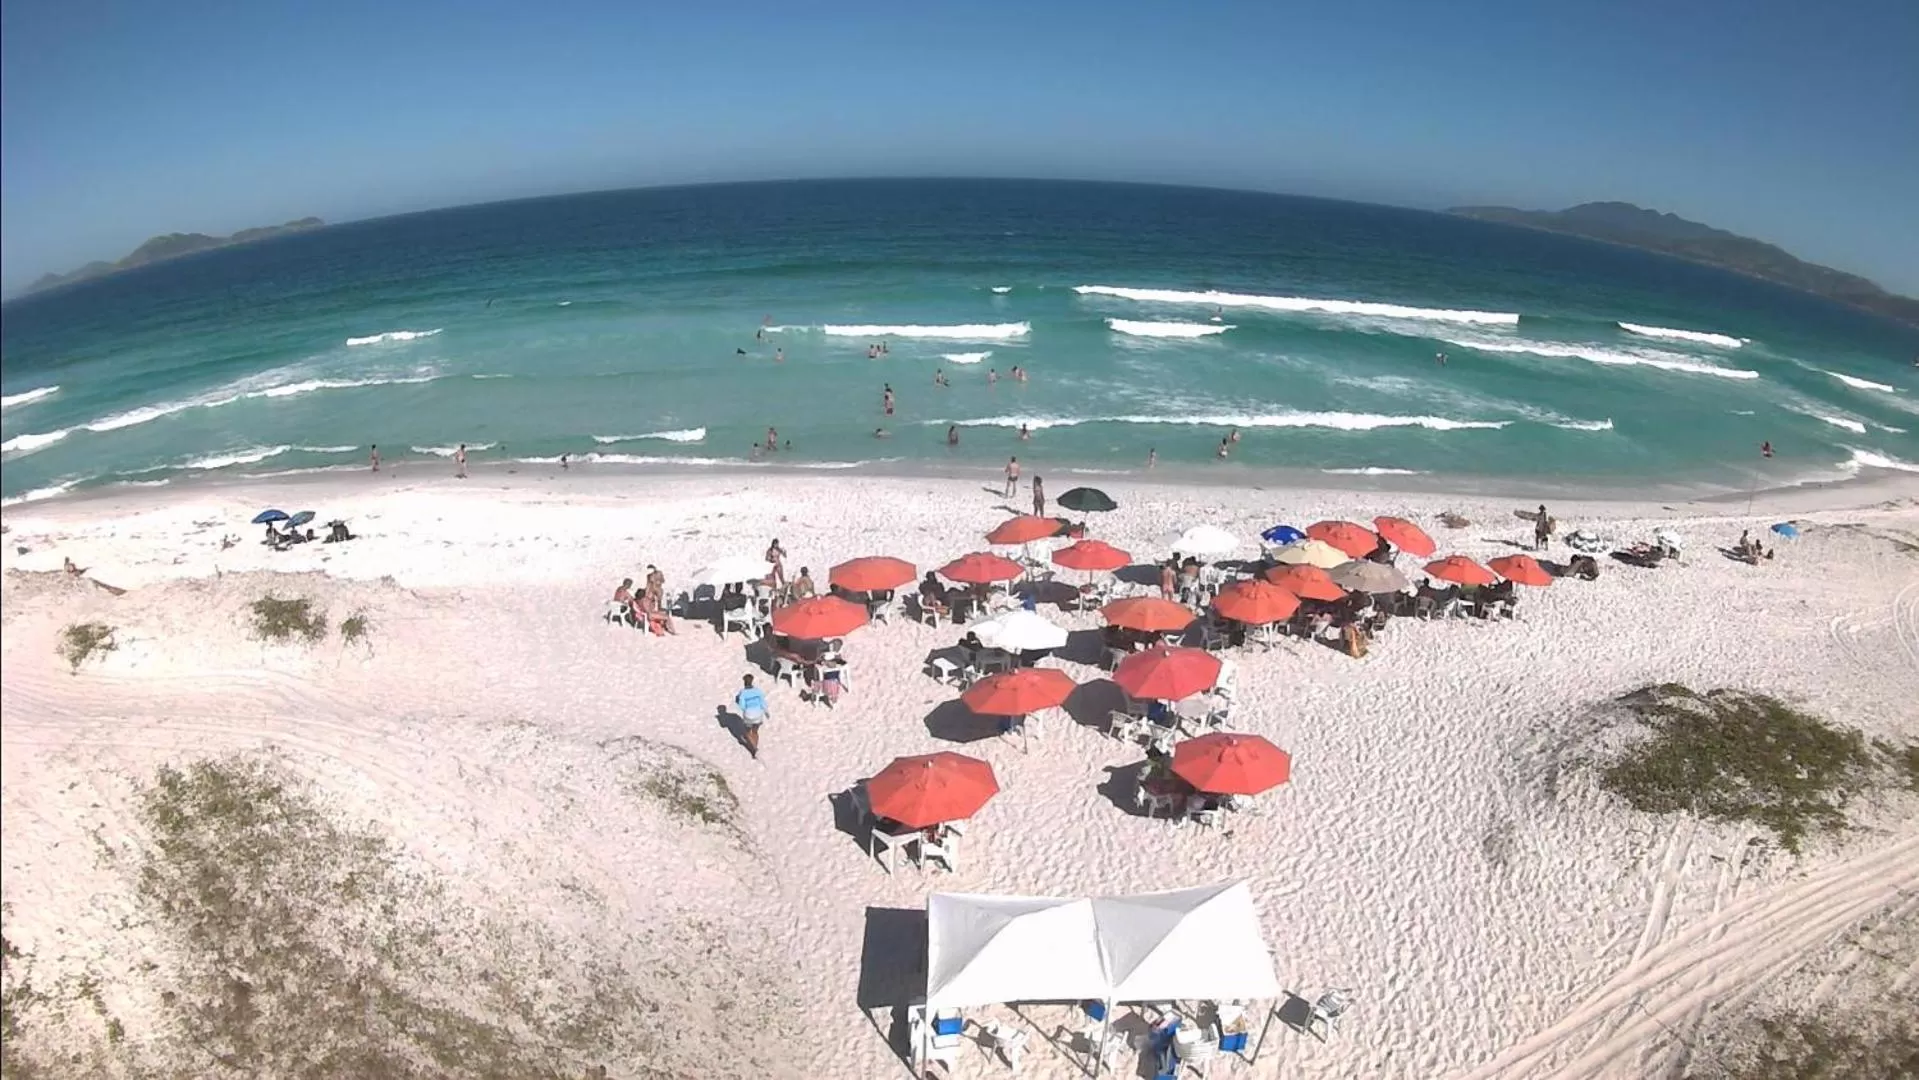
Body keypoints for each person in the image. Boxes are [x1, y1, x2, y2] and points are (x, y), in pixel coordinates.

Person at [733, 675, 769, 759]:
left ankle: (755, 749)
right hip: (758, 714)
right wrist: (766, 712)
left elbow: (742, 706)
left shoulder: (742, 693)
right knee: (755, 732)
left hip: (749, 715)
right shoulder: (758, 691)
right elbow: (763, 703)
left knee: (748, 732)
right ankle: (755, 748)